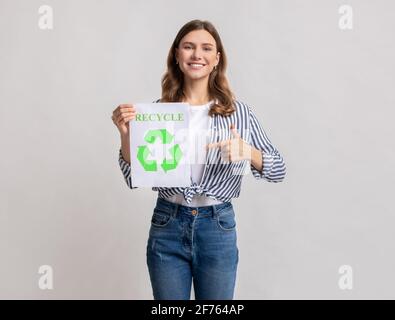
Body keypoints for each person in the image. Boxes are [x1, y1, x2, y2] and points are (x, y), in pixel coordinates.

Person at [111, 19, 286, 300]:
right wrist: (125, 136)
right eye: (189, 47)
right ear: (177, 55)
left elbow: (278, 169)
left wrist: (248, 153)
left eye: (206, 48)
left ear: (216, 59)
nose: (197, 55)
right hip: (168, 222)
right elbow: (134, 176)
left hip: (217, 226)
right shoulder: (156, 113)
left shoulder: (238, 113)